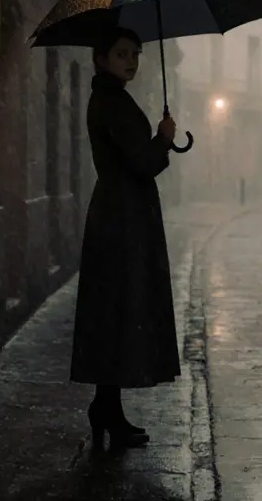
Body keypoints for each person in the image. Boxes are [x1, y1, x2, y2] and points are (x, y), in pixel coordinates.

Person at [70, 26, 179, 451]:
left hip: (121, 213)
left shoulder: (111, 96)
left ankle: (107, 407)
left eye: (135, 53)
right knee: (118, 309)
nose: (131, 61)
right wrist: (163, 140)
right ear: (101, 58)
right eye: (121, 54)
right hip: (121, 218)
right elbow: (142, 162)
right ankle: (106, 409)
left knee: (114, 313)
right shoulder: (111, 101)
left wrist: (158, 141)